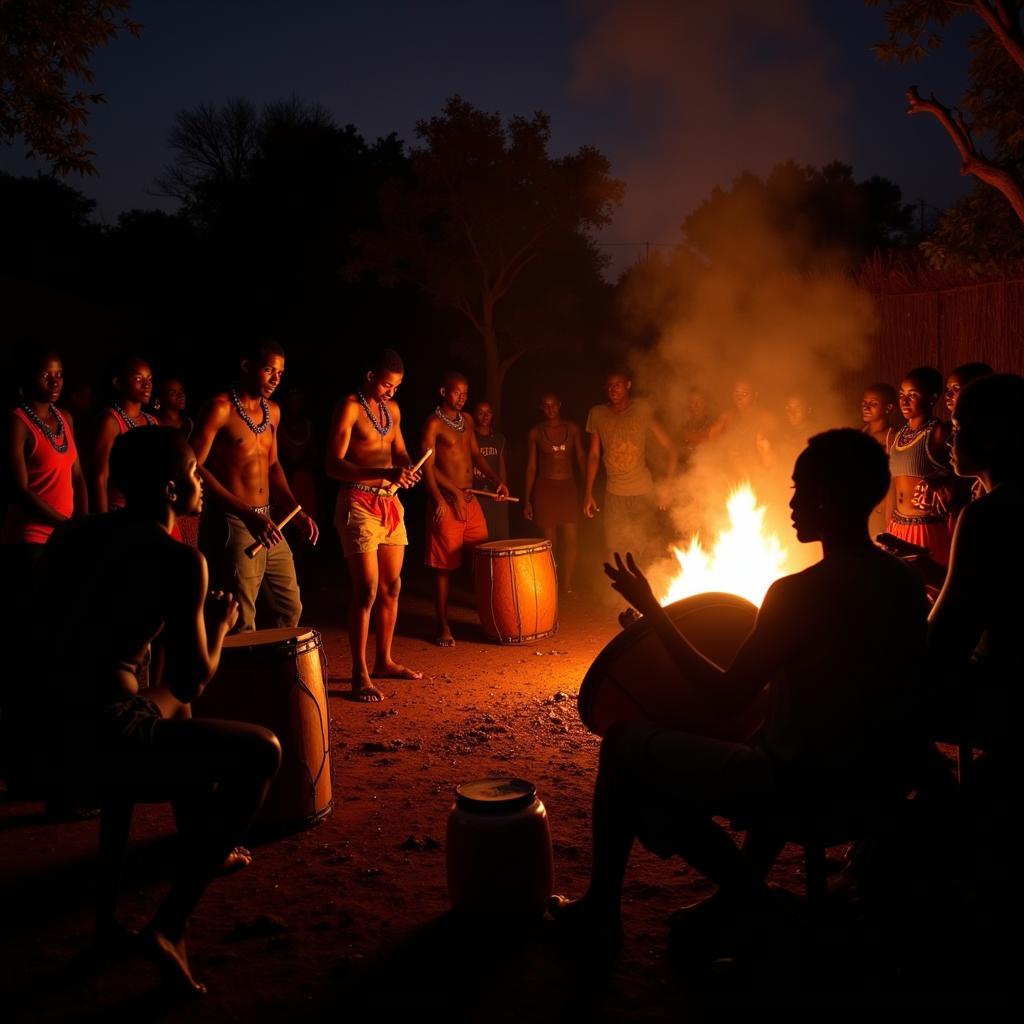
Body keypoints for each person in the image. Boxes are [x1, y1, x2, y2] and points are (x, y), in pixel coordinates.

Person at [551, 429, 928, 949]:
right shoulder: (904, 583)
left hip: (806, 790)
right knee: (763, 737)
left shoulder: (797, 594)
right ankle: (741, 899)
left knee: (625, 749)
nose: (791, 502)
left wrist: (654, 611)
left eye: (800, 489)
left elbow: (724, 697)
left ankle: (628, 908)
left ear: (828, 497)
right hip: (877, 783)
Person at [39, 428, 281, 996]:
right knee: (261, 753)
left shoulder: (71, 536)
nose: (203, 482)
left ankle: (104, 925)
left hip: (42, 737)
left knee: (153, 714)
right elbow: (192, 678)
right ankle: (170, 927)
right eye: (197, 473)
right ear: (172, 490)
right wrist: (218, 627)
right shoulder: (180, 560)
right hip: (104, 731)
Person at [928, 373, 1024, 767]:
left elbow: (945, 641)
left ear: (990, 437)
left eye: (957, 428)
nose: (950, 441)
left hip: (999, 690)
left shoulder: (988, 515)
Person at [192, 338, 318, 632]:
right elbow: (193, 466)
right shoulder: (219, 409)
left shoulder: (273, 411)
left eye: (280, 373)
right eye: (268, 370)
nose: (275, 379)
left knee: (290, 606)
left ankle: (275, 674)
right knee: (240, 616)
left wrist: (295, 511)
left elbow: (273, 466)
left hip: (268, 520)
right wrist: (248, 514)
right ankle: (236, 677)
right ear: (246, 366)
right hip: (233, 521)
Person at [325, 349, 422, 701]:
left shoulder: (392, 410)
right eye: (385, 384)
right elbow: (332, 465)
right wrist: (384, 473)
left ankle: (384, 660)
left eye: (395, 387)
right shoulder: (349, 407)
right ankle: (359, 671)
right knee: (366, 588)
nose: (391, 393)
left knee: (392, 586)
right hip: (357, 502)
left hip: (389, 504)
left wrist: (409, 467)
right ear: (369, 375)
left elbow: (401, 451)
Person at [422, 371, 509, 647]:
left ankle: (490, 617)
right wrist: (440, 498)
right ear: (443, 392)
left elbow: (476, 455)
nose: (462, 398)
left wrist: (498, 481)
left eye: (465, 393)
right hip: (446, 503)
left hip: (470, 500)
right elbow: (427, 466)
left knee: (483, 559)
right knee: (444, 568)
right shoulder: (433, 424)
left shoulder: (468, 420)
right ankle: (443, 624)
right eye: (457, 392)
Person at [583, 368, 677, 570]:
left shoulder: (642, 409)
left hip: (642, 492)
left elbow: (670, 449)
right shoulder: (597, 413)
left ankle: (648, 595)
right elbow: (593, 455)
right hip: (614, 494)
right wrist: (588, 493)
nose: (612, 389)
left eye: (617, 384)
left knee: (645, 546)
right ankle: (619, 596)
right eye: (609, 386)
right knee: (615, 548)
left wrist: (667, 488)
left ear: (628, 385)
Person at [2, 349, 88, 569]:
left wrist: (84, 524)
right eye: (45, 376)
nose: (55, 382)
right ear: (29, 378)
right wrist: (66, 525)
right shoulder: (18, 423)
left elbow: (77, 476)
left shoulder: (65, 417)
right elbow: (19, 491)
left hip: (63, 536)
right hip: (30, 538)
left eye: (59, 374)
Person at [887, 367, 952, 566]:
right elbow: (893, 487)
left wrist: (942, 483)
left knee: (927, 589)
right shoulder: (896, 436)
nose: (904, 401)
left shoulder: (939, 433)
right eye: (901, 394)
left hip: (926, 528)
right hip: (896, 525)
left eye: (912, 395)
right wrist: (888, 527)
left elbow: (964, 476)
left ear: (932, 398)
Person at [524, 392, 585, 593]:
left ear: (560, 405)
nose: (550, 410)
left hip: (567, 486)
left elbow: (581, 458)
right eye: (546, 406)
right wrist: (527, 500)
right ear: (541, 408)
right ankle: (552, 583)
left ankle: (567, 585)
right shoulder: (535, 433)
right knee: (550, 542)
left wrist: (588, 489)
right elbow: (532, 466)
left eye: (553, 405)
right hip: (545, 488)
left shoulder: (573, 428)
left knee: (571, 539)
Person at [92, 356, 159, 512]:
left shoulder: (152, 421)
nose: (147, 384)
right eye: (138, 378)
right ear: (118, 383)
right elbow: (99, 477)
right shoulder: (111, 421)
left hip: (149, 511)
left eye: (149, 379)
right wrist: (104, 523)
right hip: (120, 511)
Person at [861, 382, 898, 540]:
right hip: (860, 507)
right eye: (864, 403)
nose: (866, 407)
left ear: (888, 408)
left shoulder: (894, 438)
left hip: (883, 509)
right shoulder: (860, 435)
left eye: (873, 404)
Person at [471, 399, 509, 542]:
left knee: (499, 537)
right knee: (480, 537)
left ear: (492, 415)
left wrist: (503, 486)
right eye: (481, 413)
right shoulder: (470, 437)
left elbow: (501, 465)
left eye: (488, 413)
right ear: (474, 415)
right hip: (476, 493)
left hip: (496, 493)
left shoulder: (499, 438)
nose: (485, 416)